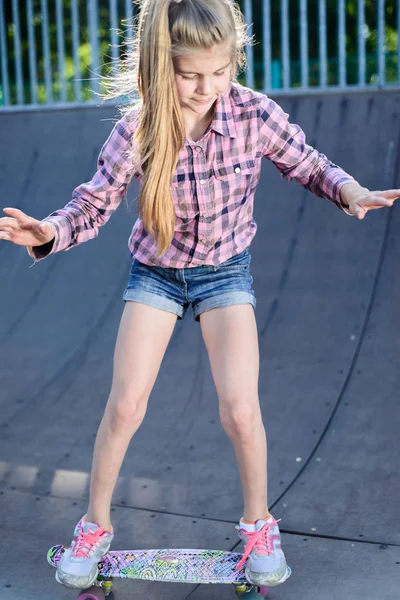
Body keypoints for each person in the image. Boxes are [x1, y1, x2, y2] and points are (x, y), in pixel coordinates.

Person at [1, 0, 399, 591]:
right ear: (163, 66)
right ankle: (94, 525)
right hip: (156, 274)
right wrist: (50, 232)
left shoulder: (252, 113)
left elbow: (308, 162)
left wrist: (350, 191)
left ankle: (259, 525)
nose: (206, 87)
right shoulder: (137, 128)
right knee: (126, 405)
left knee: (240, 409)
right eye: (190, 75)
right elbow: (95, 202)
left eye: (219, 71)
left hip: (226, 273)